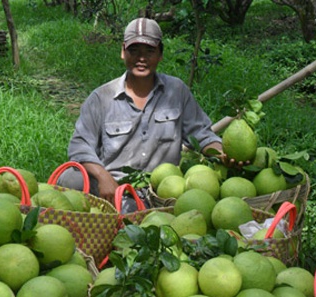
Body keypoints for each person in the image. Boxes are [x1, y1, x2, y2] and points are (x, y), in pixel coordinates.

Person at [57, 17, 225, 208]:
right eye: (134, 51)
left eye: (149, 51)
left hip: (162, 194)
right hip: (113, 195)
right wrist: (103, 177)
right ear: (123, 51)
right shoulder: (101, 98)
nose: (141, 58)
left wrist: (222, 153)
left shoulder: (176, 91)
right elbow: (80, 146)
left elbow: (202, 134)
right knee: (71, 178)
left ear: (160, 54)